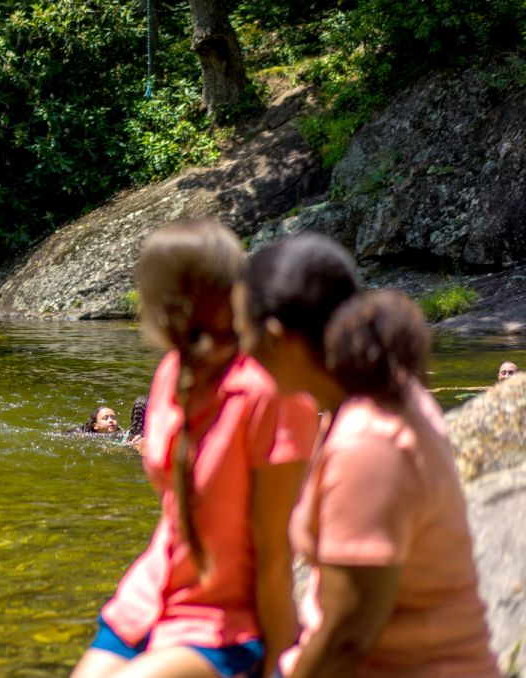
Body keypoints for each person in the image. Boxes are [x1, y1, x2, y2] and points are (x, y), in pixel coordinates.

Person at [239, 236, 497, 676]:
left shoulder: (369, 441)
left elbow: (346, 638)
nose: (239, 353)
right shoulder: (364, 394)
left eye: (242, 334)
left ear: (277, 339)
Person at [71, 220, 318, 678]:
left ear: (169, 302)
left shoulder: (271, 393)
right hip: (149, 595)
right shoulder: (171, 374)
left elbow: (275, 550)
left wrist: (280, 663)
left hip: (227, 621)